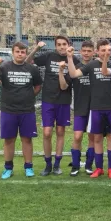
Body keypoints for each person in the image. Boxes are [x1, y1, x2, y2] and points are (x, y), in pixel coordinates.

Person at [0, 42, 43, 179]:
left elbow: (37, 86)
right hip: (8, 110)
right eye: (17, 51)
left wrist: (29, 97)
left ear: (26, 53)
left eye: (23, 52)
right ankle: (8, 168)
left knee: (27, 139)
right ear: (13, 52)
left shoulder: (32, 69)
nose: (20, 54)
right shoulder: (4, 67)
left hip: (27, 110)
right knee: (9, 140)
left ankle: (28, 167)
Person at [67, 40, 111, 179]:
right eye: (102, 50)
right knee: (96, 138)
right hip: (95, 108)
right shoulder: (91, 65)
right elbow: (73, 74)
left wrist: (106, 59)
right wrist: (69, 57)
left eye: (108, 50)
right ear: (97, 51)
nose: (105, 53)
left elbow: (105, 72)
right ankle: (98, 168)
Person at [31, 36, 79, 176]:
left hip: (63, 101)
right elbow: (29, 60)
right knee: (46, 132)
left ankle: (57, 164)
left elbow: (65, 86)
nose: (62, 47)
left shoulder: (73, 60)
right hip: (48, 100)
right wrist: (37, 48)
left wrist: (63, 68)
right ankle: (47, 164)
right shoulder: (48, 56)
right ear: (55, 45)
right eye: (59, 44)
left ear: (69, 45)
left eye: (64, 44)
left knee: (60, 132)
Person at [68, 40, 95, 176]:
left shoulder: (97, 67)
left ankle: (89, 164)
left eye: (89, 51)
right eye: (84, 50)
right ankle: (76, 165)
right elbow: (66, 83)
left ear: (93, 52)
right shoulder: (76, 67)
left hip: (94, 107)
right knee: (77, 136)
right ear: (80, 51)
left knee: (92, 136)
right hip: (80, 107)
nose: (86, 53)